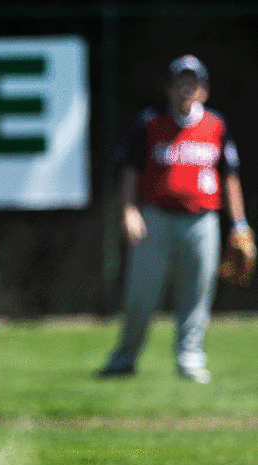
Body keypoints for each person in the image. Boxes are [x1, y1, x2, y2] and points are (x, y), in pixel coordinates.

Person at [98, 55, 249, 384]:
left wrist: (239, 223)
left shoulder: (215, 125)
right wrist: (128, 209)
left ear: (203, 91)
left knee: (197, 292)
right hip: (156, 217)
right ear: (168, 88)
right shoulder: (150, 122)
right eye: (180, 82)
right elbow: (130, 168)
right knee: (141, 293)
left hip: (202, 221)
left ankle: (190, 357)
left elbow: (230, 176)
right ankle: (125, 356)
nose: (185, 89)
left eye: (192, 83)